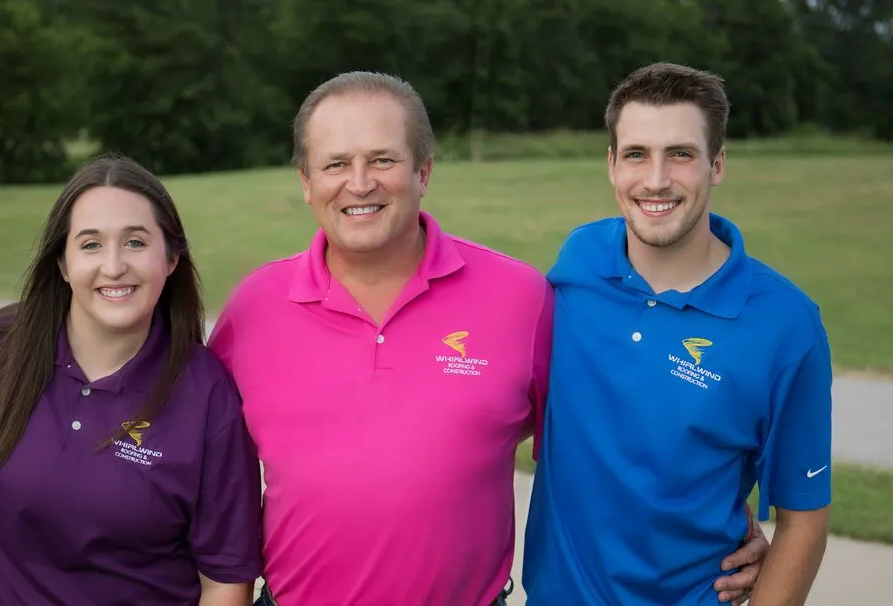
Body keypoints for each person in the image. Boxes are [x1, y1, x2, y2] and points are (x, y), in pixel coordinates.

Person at [206, 71, 764, 605]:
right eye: (336, 164)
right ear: (307, 182)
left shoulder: (521, 299)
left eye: (383, 159)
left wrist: (717, 533)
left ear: (423, 171)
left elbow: (607, 450)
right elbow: (191, 465)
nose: (360, 183)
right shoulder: (255, 309)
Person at [523, 62, 832, 605]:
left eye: (681, 155)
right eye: (637, 154)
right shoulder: (579, 260)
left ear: (717, 164)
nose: (657, 180)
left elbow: (804, 519)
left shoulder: (787, 325)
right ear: (612, 164)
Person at [0, 154, 264, 605]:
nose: (114, 266)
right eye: (91, 244)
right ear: (62, 263)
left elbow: (224, 579)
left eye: (136, 242)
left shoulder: (207, 395)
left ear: (172, 258)